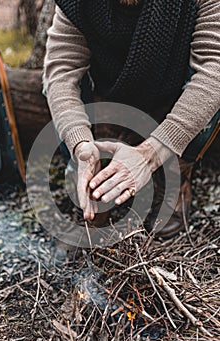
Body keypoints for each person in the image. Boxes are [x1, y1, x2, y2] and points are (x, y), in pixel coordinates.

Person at [43, 0, 220, 238]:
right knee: (61, 95)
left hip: (178, 93)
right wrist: (80, 144)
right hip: (112, 92)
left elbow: (214, 68)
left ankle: (177, 177)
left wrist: (150, 155)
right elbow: (62, 71)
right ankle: (94, 182)